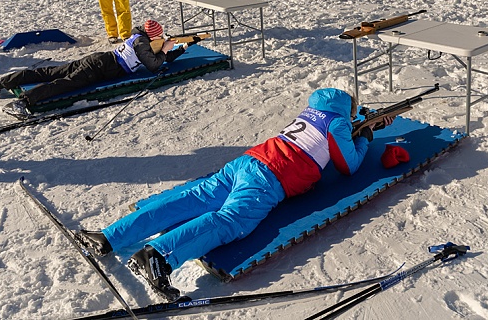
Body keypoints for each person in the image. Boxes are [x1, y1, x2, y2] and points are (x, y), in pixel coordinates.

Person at [74, 88, 393, 300]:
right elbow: (348, 165)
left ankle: (108, 237)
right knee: (232, 222)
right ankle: (157, 257)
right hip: (271, 177)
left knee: (187, 200)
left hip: (248, 161)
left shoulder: (313, 112)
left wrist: (360, 122)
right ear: (348, 112)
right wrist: (364, 136)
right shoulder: (338, 123)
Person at [0, 20, 197, 119]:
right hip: (102, 68)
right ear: (152, 36)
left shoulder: (139, 37)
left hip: (99, 60)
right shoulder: (143, 44)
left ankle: (1, 83)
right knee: (64, 84)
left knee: (49, 72)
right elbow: (154, 65)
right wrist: (166, 49)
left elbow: (161, 55)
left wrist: (183, 46)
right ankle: (23, 101)